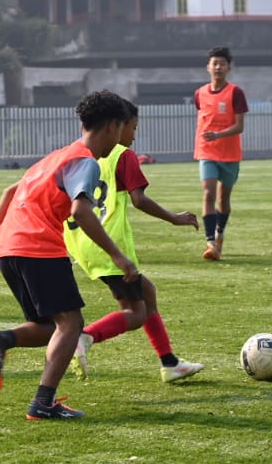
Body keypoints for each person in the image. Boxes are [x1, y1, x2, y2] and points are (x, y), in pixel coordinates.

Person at [0, 90, 139, 420]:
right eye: (123, 129)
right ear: (111, 126)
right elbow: (81, 211)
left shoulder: (57, 156)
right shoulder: (87, 162)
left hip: (10, 247)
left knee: (50, 326)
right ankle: (43, 403)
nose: (123, 138)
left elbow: (9, 192)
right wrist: (119, 257)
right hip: (38, 246)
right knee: (72, 323)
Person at [64, 100, 205, 384]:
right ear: (118, 125)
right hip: (108, 242)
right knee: (135, 312)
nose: (134, 136)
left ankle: (169, 363)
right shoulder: (122, 154)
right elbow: (139, 200)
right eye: (133, 128)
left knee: (147, 292)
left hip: (79, 240)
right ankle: (83, 338)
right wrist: (174, 218)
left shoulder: (81, 151)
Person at [193, 46, 248, 260]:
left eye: (222, 64)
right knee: (208, 193)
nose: (218, 67)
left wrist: (218, 135)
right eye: (214, 63)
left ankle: (219, 234)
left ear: (228, 68)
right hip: (206, 151)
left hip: (230, 154)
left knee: (223, 199)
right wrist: (210, 138)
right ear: (208, 67)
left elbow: (239, 126)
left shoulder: (235, 93)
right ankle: (210, 242)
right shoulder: (200, 93)